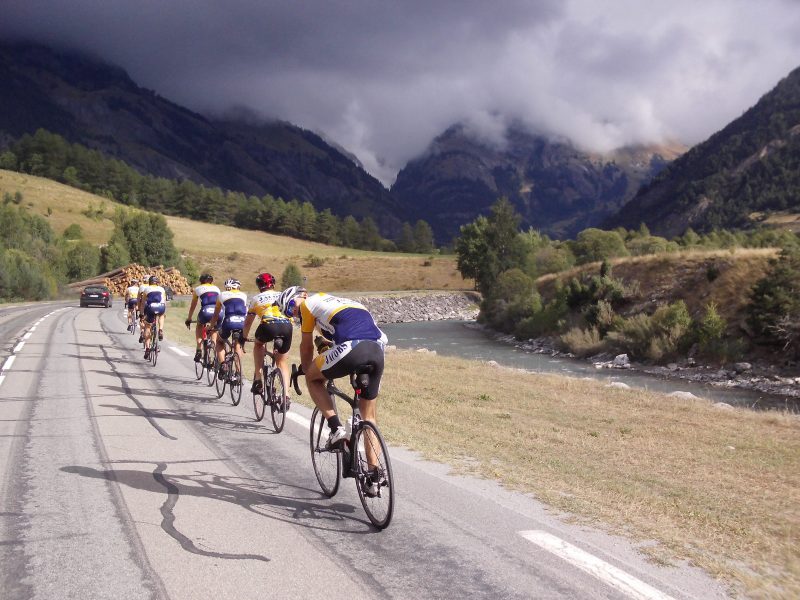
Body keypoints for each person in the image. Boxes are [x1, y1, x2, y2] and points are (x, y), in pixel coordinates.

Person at [278, 286, 387, 449]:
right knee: (368, 417)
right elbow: (353, 330)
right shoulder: (343, 303)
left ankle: (335, 429)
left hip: (353, 348)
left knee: (312, 378)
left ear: (302, 296)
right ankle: (375, 472)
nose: (293, 313)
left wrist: (307, 369)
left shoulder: (307, 305)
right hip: (377, 351)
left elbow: (306, 347)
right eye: (288, 313)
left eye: (290, 306)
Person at [242, 272, 293, 395]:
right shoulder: (283, 295)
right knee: (282, 362)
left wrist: (243, 338)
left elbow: (248, 323)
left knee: (258, 345)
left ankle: (258, 380)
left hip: (268, 325)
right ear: (274, 284)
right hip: (287, 326)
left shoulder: (256, 299)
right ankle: (286, 396)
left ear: (259, 286)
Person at [210, 279, 247, 375]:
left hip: (229, 321)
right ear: (238, 287)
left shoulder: (221, 295)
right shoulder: (244, 295)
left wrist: (211, 326)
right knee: (237, 345)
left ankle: (223, 364)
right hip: (242, 322)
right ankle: (239, 372)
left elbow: (216, 314)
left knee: (219, 341)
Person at [184, 273, 221, 362]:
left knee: (199, 325)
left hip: (206, 311)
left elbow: (193, 305)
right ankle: (214, 346)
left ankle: (199, 349)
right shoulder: (217, 288)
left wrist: (189, 318)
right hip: (218, 312)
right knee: (214, 328)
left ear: (201, 281)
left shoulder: (197, 289)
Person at [139, 275, 167, 360]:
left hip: (151, 308)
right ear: (157, 282)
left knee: (148, 327)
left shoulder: (146, 289)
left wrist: (141, 313)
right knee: (161, 315)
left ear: (149, 282)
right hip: (161, 307)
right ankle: (160, 330)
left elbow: (143, 303)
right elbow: (164, 301)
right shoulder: (162, 289)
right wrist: (163, 312)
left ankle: (147, 349)